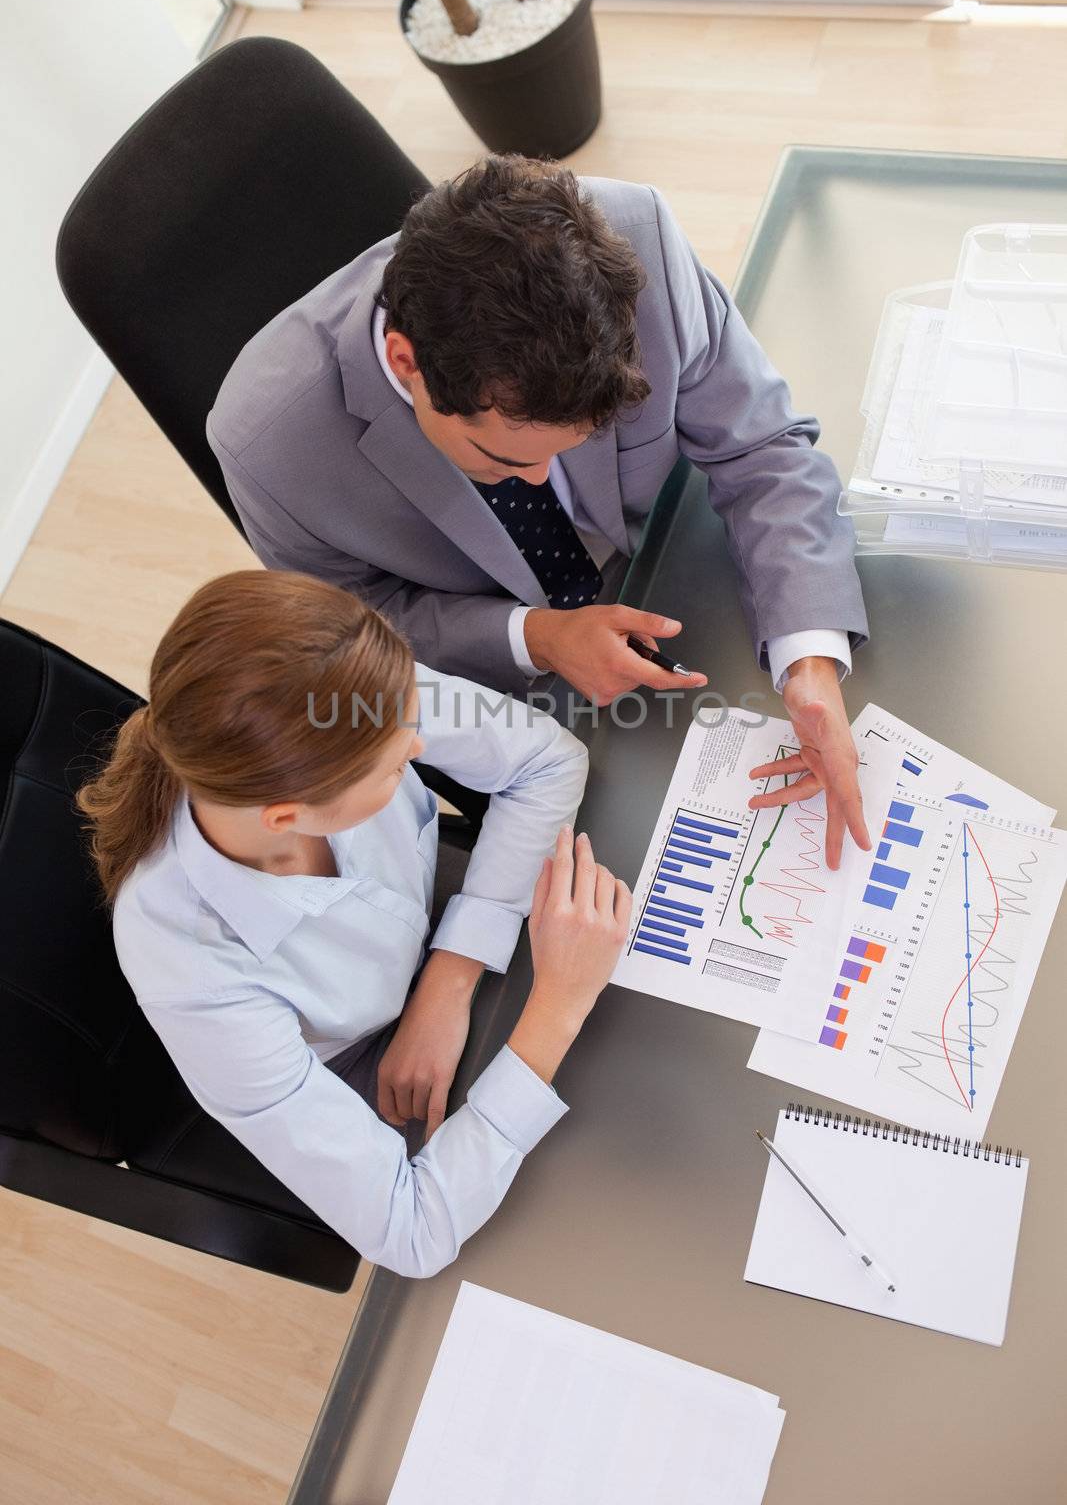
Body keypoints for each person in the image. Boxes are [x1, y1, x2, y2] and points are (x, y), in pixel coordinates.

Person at [208, 154, 870, 869]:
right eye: (504, 462)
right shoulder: (265, 445)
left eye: (573, 444)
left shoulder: (637, 239)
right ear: (406, 363)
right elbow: (355, 631)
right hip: (526, 695)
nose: (544, 477)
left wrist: (808, 661)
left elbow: (763, 445)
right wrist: (537, 638)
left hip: (693, 565)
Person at [77, 569, 630, 1279]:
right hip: (366, 1062)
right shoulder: (194, 970)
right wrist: (557, 1007)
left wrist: (449, 979)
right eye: (396, 763)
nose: (421, 746)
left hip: (441, 955)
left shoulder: (347, 696)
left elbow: (546, 759)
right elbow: (413, 1234)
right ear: (287, 818)